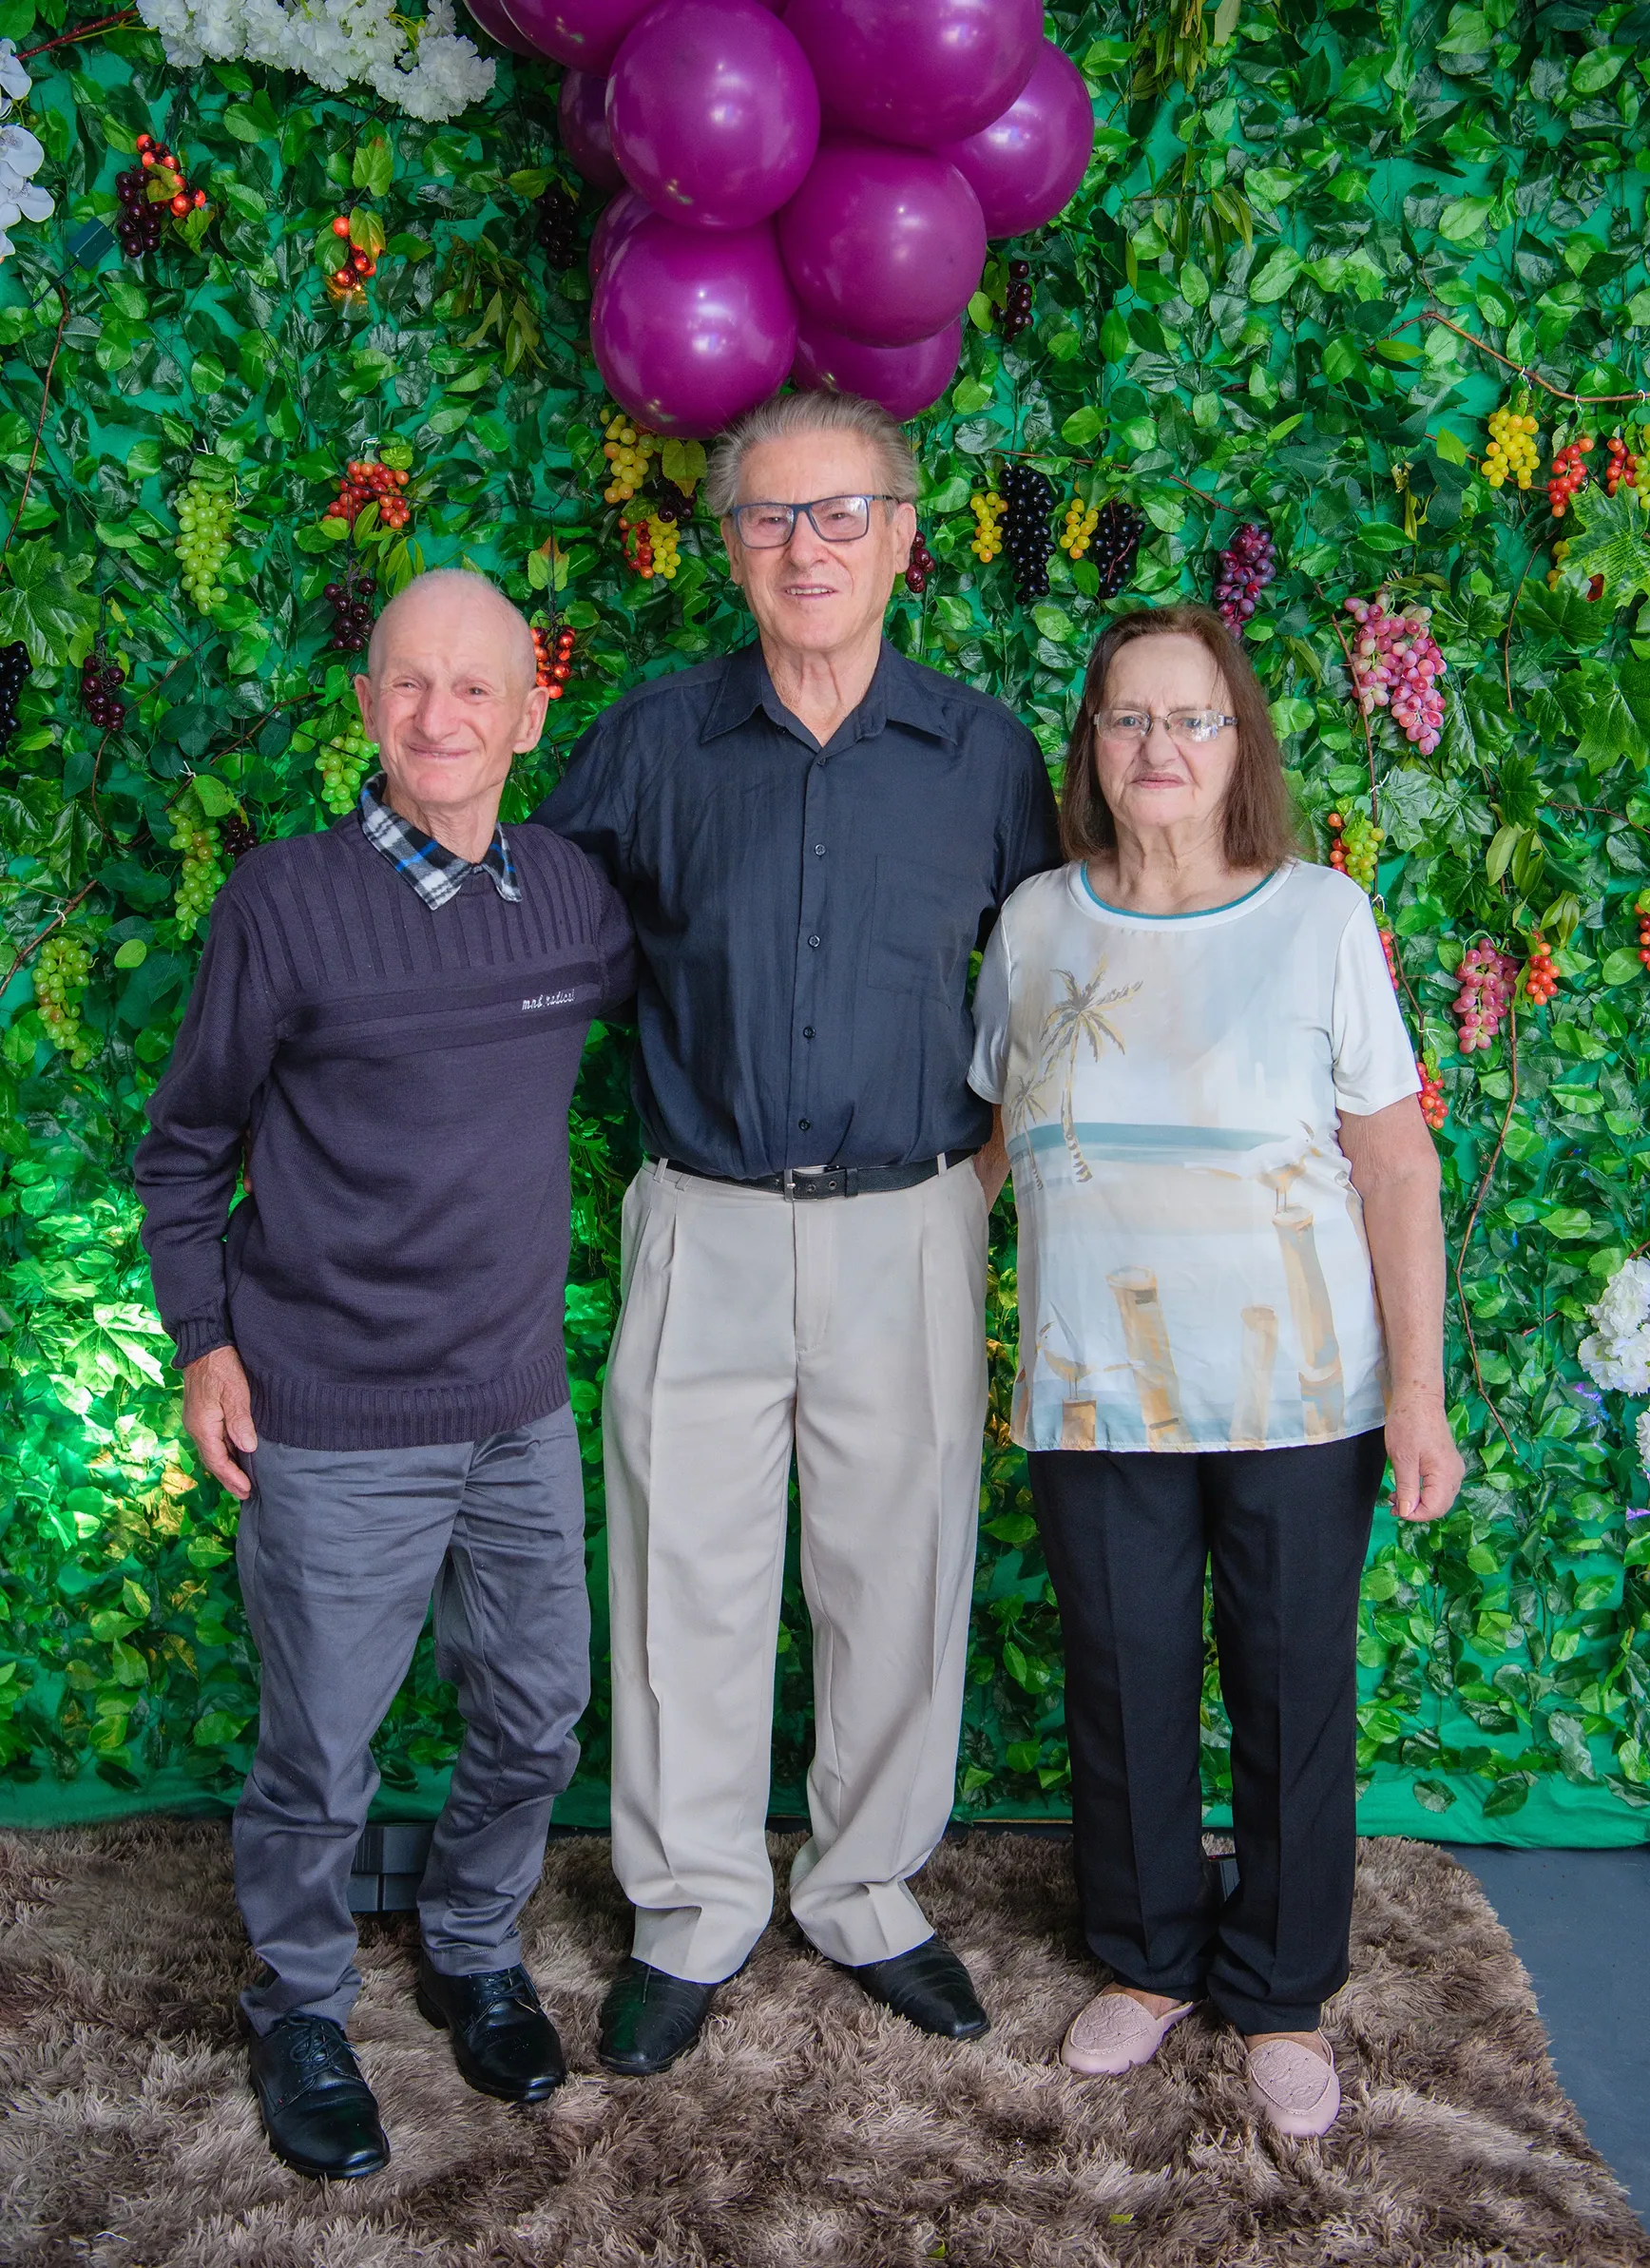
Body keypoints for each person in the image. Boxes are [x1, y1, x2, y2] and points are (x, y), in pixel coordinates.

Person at [534, 390, 1061, 2075]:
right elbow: (530, 954)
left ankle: (866, 1889)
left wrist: (975, 1184)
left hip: (913, 1221)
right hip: (703, 1219)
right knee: (677, 1573)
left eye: (842, 514)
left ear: (904, 537)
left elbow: (1048, 992)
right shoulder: (647, 744)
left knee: (899, 1571)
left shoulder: (986, 757)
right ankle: (689, 1907)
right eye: (771, 516)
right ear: (731, 545)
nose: (807, 546)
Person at [134, 570, 634, 2180]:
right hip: (332, 1413)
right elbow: (185, 1147)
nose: (439, 715)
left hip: (516, 1409)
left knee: (539, 1715)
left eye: (475, 686)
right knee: (320, 1751)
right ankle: (298, 2003)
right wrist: (204, 1342)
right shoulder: (283, 902)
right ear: (366, 706)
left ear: (529, 715)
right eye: (408, 683)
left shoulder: (573, 902)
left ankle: (473, 1946)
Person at [968, 603, 1464, 2140]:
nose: (1160, 746)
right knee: (1122, 1681)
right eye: (1129, 716)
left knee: (1291, 1683)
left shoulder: (1318, 918)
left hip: (1300, 1391)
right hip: (1093, 1385)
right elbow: (986, 1149)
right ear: (1093, 745)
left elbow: (1396, 1167)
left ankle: (1282, 1987)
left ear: (1237, 742)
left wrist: (1420, 1394)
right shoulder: (1035, 925)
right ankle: (1148, 1955)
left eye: (1193, 717)